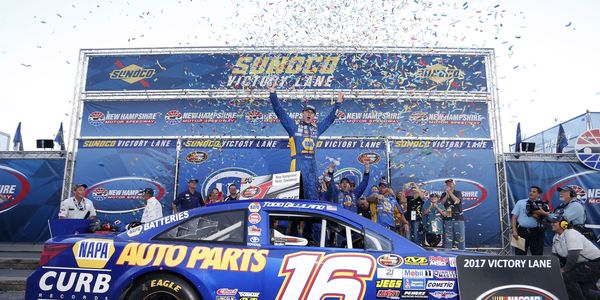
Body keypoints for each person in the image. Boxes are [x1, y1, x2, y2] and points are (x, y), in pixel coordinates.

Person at [268, 81, 343, 200]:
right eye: (307, 111)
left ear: (314, 116)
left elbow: (329, 119)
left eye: (312, 113)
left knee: (312, 196)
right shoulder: (293, 127)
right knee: (295, 196)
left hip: (312, 166)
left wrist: (338, 103)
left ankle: (312, 218)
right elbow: (280, 112)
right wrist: (273, 93)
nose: (310, 114)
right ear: (302, 114)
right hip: (297, 163)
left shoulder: (316, 129)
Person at [550, 215, 600, 300]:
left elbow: (574, 255)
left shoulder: (571, 233)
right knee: (585, 292)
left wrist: (564, 269)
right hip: (582, 264)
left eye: (554, 222)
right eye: (551, 222)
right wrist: (552, 268)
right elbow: (555, 257)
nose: (552, 224)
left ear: (564, 224)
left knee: (566, 277)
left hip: (594, 263)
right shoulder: (556, 237)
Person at [511, 186, 548, 255]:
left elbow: (547, 220)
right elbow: (514, 217)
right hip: (521, 231)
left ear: (539, 194)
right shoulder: (520, 202)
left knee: (537, 255)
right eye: (530, 191)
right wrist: (514, 231)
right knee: (519, 255)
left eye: (534, 192)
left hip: (537, 232)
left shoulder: (543, 204)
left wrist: (537, 214)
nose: (531, 193)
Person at [441, 178, 465, 250]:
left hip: (458, 218)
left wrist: (450, 193)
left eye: (450, 183)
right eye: (447, 183)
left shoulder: (458, 192)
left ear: (454, 184)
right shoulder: (443, 194)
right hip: (447, 218)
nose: (449, 184)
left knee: (460, 238)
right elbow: (441, 203)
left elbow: (457, 201)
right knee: (448, 239)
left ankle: (462, 255)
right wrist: (446, 194)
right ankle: (448, 255)